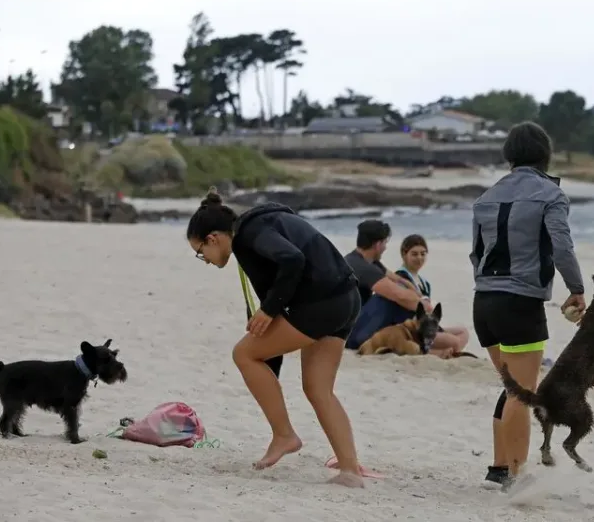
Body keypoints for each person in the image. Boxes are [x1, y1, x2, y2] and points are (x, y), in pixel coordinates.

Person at [186, 191, 365, 488]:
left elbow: (292, 260)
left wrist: (268, 310)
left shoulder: (250, 234)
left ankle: (284, 435)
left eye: (200, 251)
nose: (204, 260)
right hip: (346, 298)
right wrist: (270, 363)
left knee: (243, 354)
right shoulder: (264, 223)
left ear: (213, 238)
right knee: (318, 388)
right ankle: (350, 471)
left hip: (320, 302)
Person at [470, 121, 585, 486]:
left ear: (509, 156)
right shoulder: (550, 195)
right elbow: (562, 247)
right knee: (522, 392)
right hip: (520, 302)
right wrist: (577, 288)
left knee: (511, 388)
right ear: (545, 155)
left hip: (484, 301)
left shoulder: (485, 197)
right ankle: (517, 476)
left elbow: (476, 254)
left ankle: (499, 469)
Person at [343, 220, 434, 350]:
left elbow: (396, 279)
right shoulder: (363, 267)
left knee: (398, 293)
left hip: (353, 325)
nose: (385, 247)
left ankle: (419, 335)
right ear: (378, 244)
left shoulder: (364, 260)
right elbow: (398, 295)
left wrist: (411, 287)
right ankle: (421, 334)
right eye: (385, 243)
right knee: (388, 298)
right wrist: (424, 305)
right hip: (351, 336)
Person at [396, 234, 471, 356]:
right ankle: (440, 353)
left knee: (463, 332)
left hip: (428, 327)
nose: (419, 258)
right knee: (455, 342)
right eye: (414, 254)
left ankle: (442, 352)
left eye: (423, 254)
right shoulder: (401, 278)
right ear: (404, 254)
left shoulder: (424, 283)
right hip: (412, 331)